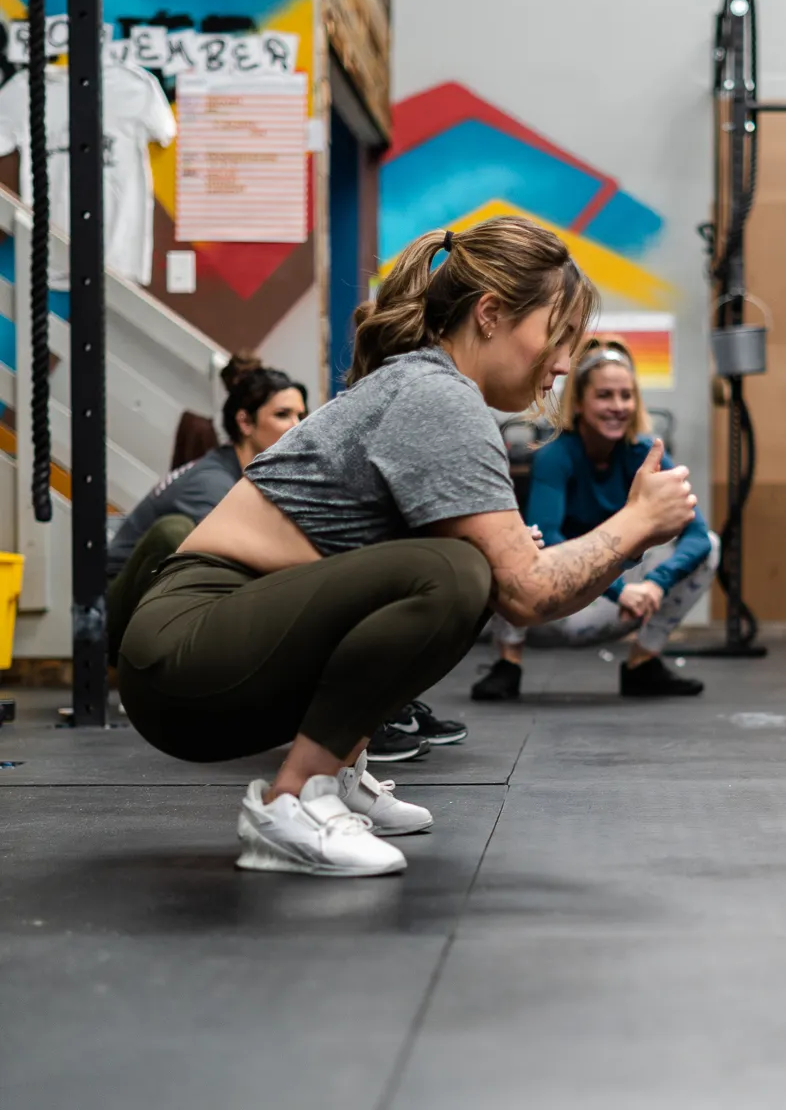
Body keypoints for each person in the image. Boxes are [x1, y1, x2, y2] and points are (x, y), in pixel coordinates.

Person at [117, 217, 698, 878]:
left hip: (215, 651)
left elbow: (507, 583)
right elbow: (529, 592)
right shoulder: (436, 398)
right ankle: (293, 800)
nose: (564, 363)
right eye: (557, 336)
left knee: (467, 567)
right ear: (490, 314)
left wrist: (614, 538)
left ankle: (334, 772)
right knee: (456, 572)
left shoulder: (431, 388)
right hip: (184, 652)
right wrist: (636, 523)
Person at [471, 336, 719, 702]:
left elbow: (696, 534)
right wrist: (620, 590)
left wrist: (655, 586)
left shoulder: (646, 454)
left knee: (710, 546)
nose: (617, 406)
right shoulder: (556, 456)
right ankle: (508, 663)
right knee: (516, 544)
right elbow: (550, 538)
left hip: (619, 606)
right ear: (580, 402)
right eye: (605, 396)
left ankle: (642, 664)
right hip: (547, 609)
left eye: (626, 395)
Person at [105, 356, 307, 666]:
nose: (297, 427)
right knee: (173, 532)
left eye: (300, 415)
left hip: (161, 604)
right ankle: (149, 671)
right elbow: (232, 563)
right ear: (245, 422)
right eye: (283, 415)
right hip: (112, 613)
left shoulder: (252, 474)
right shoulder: (211, 483)